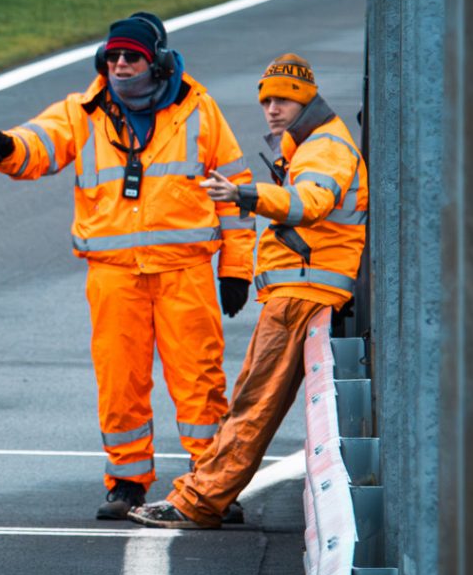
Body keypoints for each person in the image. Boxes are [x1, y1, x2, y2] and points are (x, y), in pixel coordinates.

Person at [0, 12, 255, 520]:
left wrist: (236, 268)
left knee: (200, 380)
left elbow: (234, 189)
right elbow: (40, 142)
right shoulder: (82, 111)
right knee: (119, 379)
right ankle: (127, 481)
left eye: (132, 57)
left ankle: (213, 485)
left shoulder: (199, 109)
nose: (121, 65)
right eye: (113, 57)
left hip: (184, 271)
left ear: (157, 62)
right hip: (114, 274)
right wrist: (7, 149)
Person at [128, 54, 367, 529]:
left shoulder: (324, 148)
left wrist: (246, 194)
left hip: (304, 292)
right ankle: (200, 495)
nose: (272, 110)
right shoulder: (311, 145)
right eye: (266, 101)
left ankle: (199, 501)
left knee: (252, 403)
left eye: (284, 101)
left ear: (307, 102)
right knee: (250, 399)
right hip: (302, 290)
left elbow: (310, 203)